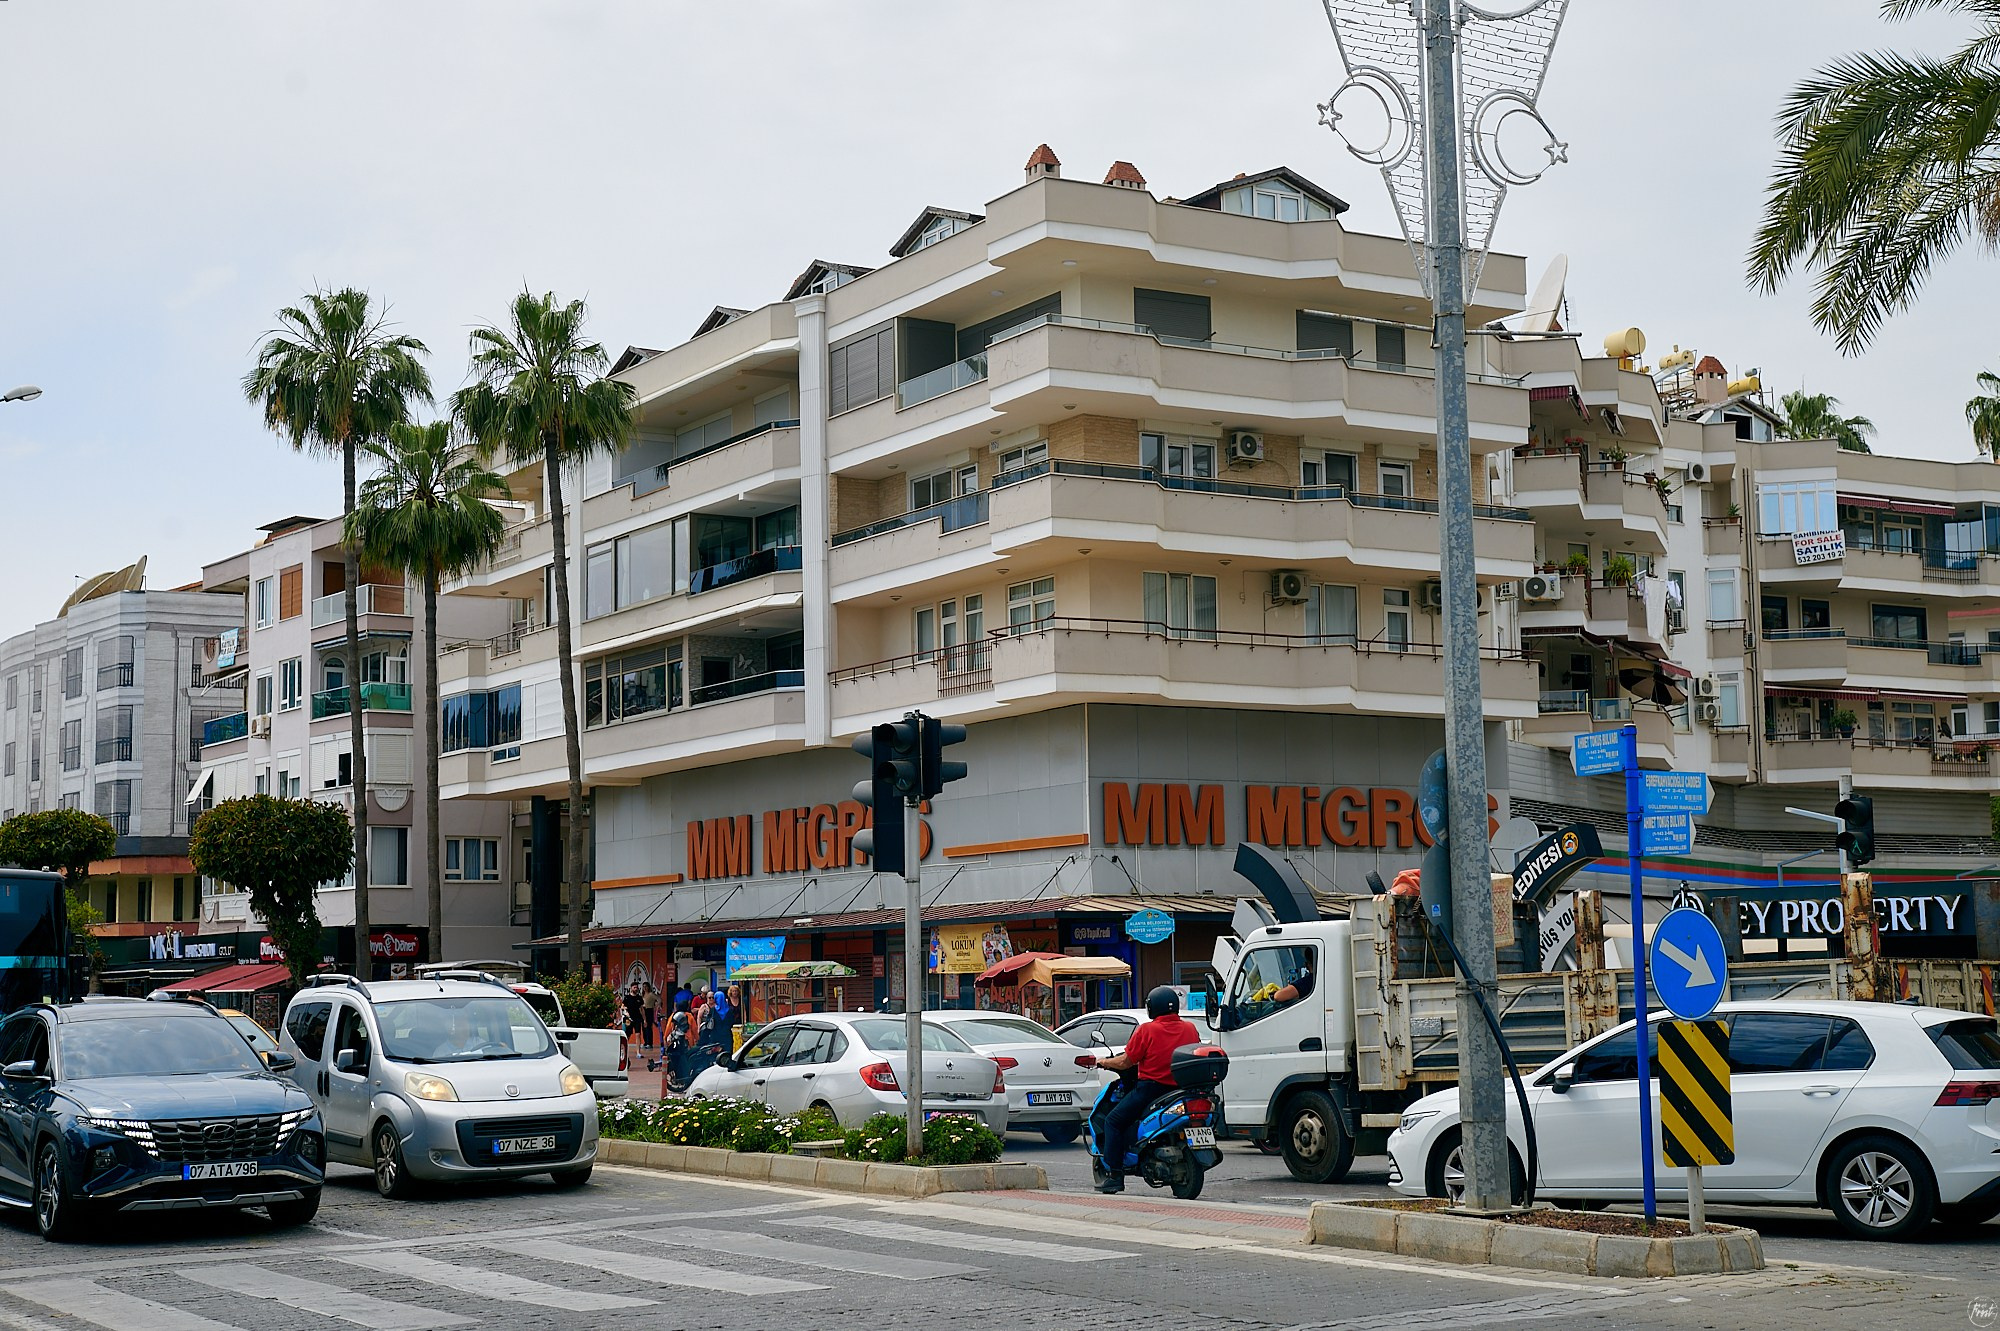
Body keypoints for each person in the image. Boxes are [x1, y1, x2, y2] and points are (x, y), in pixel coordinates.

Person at [1090, 986, 1199, 1193]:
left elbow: (1125, 1062)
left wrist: (1104, 1062)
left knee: (1113, 1122)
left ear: (1152, 1008)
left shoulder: (1147, 1030)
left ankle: (1115, 1176)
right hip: (1182, 1090)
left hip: (1152, 1090)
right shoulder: (1190, 1028)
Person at [641, 982, 659, 1052]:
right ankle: (645, 1042)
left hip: (649, 1010)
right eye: (643, 987)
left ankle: (649, 1043)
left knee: (648, 1027)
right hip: (643, 1011)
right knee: (643, 1027)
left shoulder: (651, 994)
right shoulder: (643, 995)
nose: (645, 988)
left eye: (646, 986)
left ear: (648, 987)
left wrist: (656, 1006)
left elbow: (659, 999)